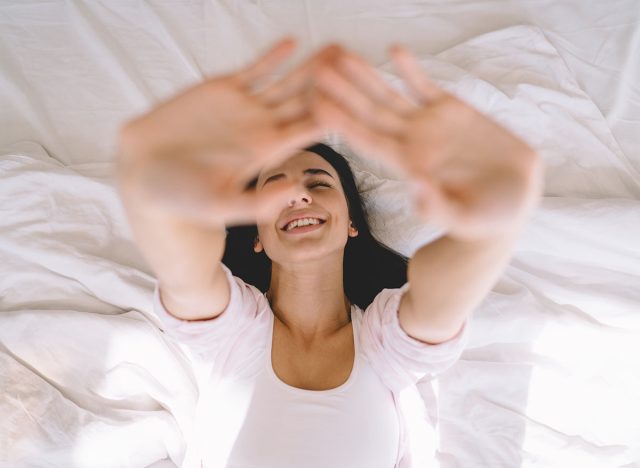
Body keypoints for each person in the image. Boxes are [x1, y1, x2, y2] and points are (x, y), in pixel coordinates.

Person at [116, 39, 542, 468]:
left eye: (318, 183)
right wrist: (154, 193)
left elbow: (436, 302)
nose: (299, 197)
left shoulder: (381, 344)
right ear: (257, 235)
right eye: (276, 188)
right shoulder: (236, 333)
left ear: (352, 223)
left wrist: (492, 224)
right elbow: (187, 273)